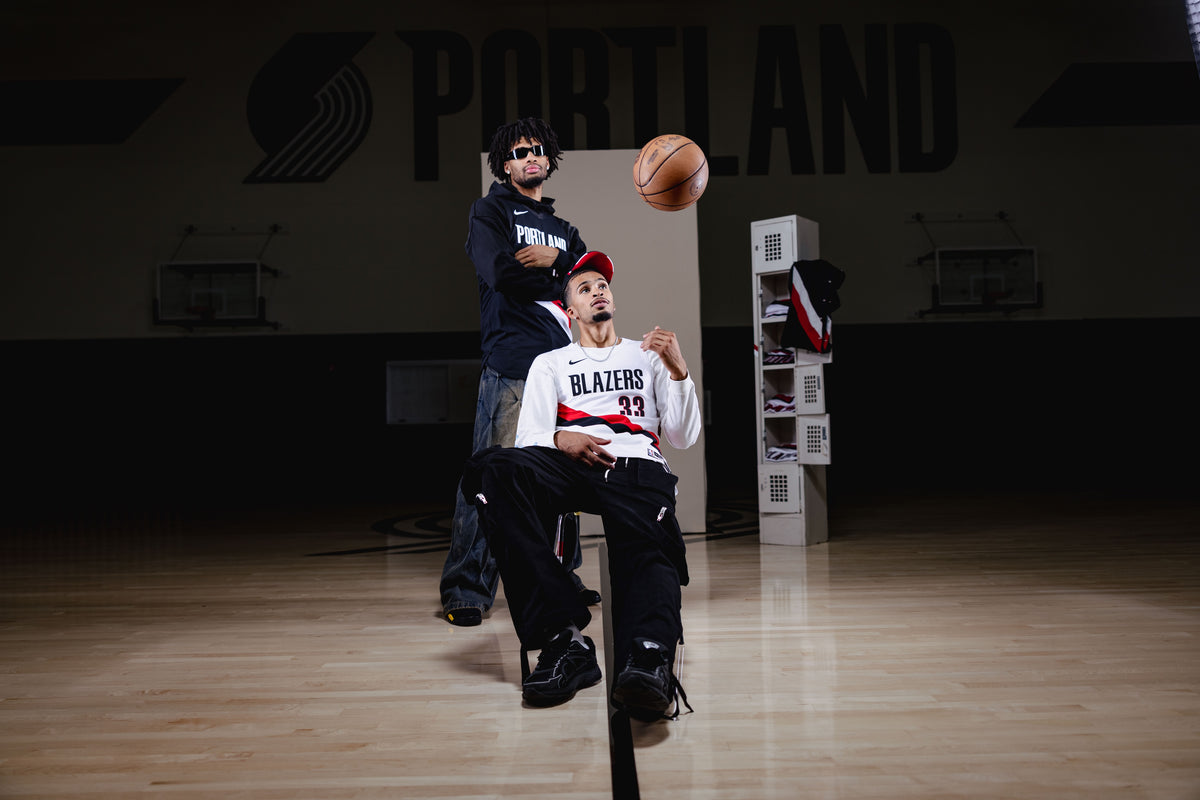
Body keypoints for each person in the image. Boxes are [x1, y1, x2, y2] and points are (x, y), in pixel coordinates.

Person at [460, 251, 701, 721]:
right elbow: (529, 438)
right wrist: (560, 437)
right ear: (570, 309)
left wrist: (678, 371)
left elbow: (682, 436)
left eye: (603, 285)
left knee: (647, 538)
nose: (597, 292)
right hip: (570, 463)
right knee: (492, 471)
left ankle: (648, 654)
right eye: (585, 288)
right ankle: (564, 641)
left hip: (635, 465)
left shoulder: (647, 355)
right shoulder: (551, 363)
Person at [440, 118, 596, 627]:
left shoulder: (564, 231)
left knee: (562, 479)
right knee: (488, 478)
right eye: (519, 152)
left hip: (563, 368)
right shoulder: (490, 212)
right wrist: (561, 273)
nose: (530, 157)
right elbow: (501, 274)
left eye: (537, 150)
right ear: (505, 165)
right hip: (512, 363)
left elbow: (590, 284)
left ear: (549, 159)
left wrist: (559, 260)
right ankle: (467, 588)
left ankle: (562, 576)